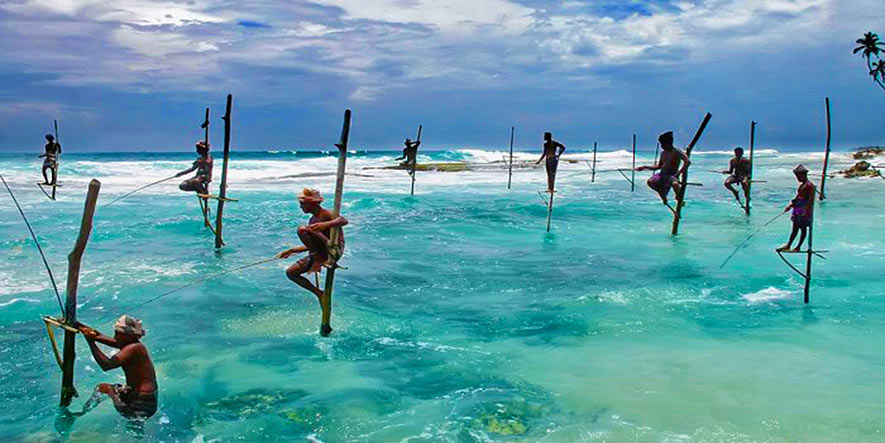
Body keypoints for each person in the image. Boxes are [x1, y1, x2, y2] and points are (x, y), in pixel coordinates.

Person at [277, 189, 348, 334]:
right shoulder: (312, 220)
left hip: (332, 251)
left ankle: (319, 259)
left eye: (302, 204)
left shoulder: (326, 214)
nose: (300, 207)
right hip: (319, 251)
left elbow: (343, 220)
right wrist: (292, 250)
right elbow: (313, 244)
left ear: (311, 204)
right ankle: (319, 293)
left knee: (302, 230)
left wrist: (326, 225)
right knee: (291, 273)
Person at [76, 315, 158, 420]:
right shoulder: (132, 344)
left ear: (127, 335)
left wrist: (91, 342)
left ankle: (82, 413)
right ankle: (137, 424)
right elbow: (98, 336)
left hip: (140, 403)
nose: (115, 337)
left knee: (101, 388)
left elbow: (106, 365)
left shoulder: (133, 348)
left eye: (117, 334)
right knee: (107, 389)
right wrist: (77, 325)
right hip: (147, 401)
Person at [635, 131, 690, 210]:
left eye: (663, 144)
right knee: (650, 182)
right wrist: (644, 167)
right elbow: (659, 166)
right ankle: (664, 196)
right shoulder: (663, 153)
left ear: (669, 143)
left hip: (672, 175)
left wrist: (679, 173)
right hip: (663, 174)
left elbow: (688, 162)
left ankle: (679, 200)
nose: (661, 146)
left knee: (675, 185)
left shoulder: (676, 151)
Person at [777, 165, 815, 252]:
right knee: (795, 228)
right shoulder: (802, 185)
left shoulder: (809, 185)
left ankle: (798, 247)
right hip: (798, 208)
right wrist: (791, 205)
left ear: (803, 175)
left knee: (803, 229)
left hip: (803, 209)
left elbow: (810, 199)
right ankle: (789, 245)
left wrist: (805, 211)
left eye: (798, 176)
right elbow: (798, 197)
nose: (797, 178)